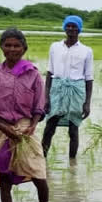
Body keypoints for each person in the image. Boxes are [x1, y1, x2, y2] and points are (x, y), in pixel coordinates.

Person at [0, 28, 49, 202]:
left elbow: (39, 105)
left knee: (38, 172)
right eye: (7, 45)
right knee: (4, 173)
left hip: (24, 127)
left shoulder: (33, 73)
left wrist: (32, 126)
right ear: (1, 47)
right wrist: (4, 128)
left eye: (17, 45)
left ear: (24, 48)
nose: (12, 49)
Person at [41, 15, 93, 159]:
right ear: (64, 27)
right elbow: (50, 72)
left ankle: (72, 163)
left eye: (74, 26)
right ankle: (41, 160)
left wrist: (87, 103)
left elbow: (89, 78)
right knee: (50, 126)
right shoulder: (55, 47)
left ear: (79, 29)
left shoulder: (86, 51)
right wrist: (46, 97)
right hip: (57, 89)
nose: (71, 29)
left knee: (73, 128)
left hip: (76, 92)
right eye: (68, 26)